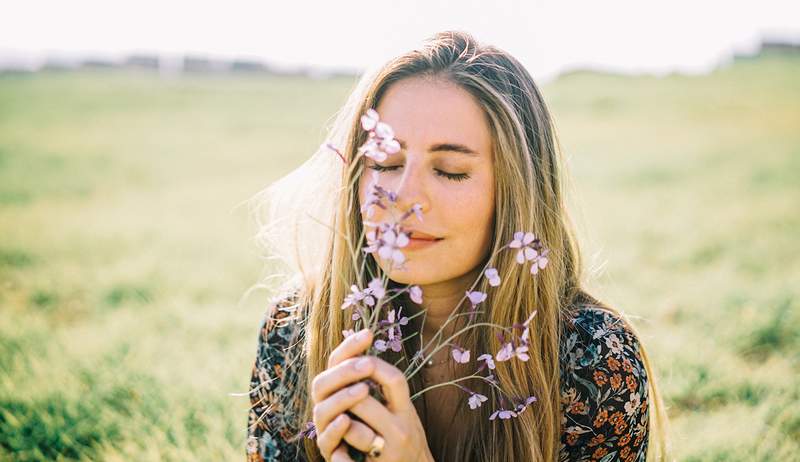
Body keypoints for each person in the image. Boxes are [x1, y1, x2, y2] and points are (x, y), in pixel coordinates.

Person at [245, 30, 671, 462]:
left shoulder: (592, 359)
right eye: (386, 164)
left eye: (449, 171)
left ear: (516, 192)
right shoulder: (297, 326)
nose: (404, 198)